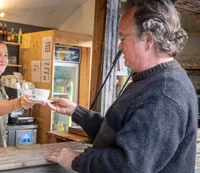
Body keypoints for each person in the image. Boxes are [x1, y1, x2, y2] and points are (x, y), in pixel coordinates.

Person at [44, 0, 198, 172]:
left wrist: (75, 160)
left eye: (123, 37)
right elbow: (119, 135)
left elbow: (128, 166)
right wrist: (77, 112)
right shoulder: (152, 81)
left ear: (148, 39)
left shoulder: (165, 93)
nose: (119, 45)